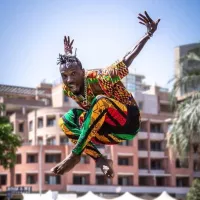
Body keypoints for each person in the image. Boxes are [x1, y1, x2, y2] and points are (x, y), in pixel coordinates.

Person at [51, 11, 160, 178]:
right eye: (64, 76)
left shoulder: (101, 77)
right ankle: (100, 160)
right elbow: (69, 68)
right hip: (104, 131)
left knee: (100, 100)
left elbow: (127, 59)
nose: (69, 80)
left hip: (127, 123)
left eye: (74, 74)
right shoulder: (67, 89)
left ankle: (75, 155)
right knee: (66, 120)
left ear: (82, 72)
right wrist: (68, 55)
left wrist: (148, 34)